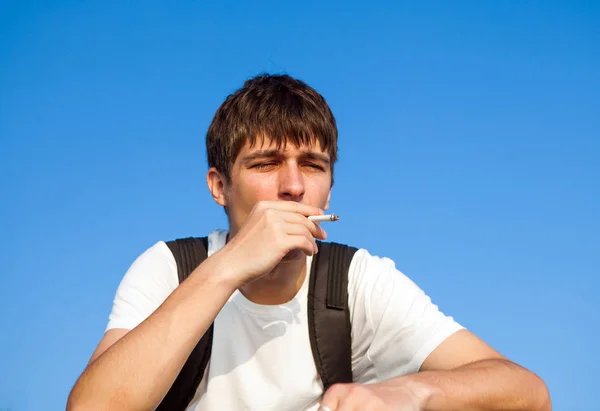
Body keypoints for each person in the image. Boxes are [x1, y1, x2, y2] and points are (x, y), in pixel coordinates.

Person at [67, 73, 551, 411]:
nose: (294, 186)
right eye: (265, 164)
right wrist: (228, 266)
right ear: (218, 187)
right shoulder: (168, 269)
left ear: (330, 189)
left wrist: (407, 393)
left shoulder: (356, 282)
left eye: (314, 166)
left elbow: (527, 394)